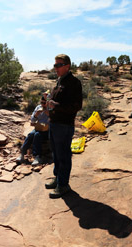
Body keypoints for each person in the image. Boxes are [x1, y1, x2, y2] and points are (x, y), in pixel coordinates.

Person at [46, 54, 82, 198]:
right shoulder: (59, 81)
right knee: (56, 153)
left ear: (67, 66)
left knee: (64, 155)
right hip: (54, 123)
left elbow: (76, 106)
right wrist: (48, 100)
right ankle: (58, 178)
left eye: (58, 65)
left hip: (64, 125)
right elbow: (55, 101)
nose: (55, 68)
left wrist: (56, 106)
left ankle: (63, 184)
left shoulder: (74, 83)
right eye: (55, 65)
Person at [16, 94, 50, 165]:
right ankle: (22, 153)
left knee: (37, 135)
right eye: (42, 103)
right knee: (30, 134)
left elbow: (55, 120)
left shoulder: (51, 109)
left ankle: (37, 156)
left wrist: (49, 114)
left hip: (48, 129)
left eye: (44, 103)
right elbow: (32, 120)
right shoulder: (38, 107)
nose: (43, 105)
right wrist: (36, 115)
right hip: (39, 127)